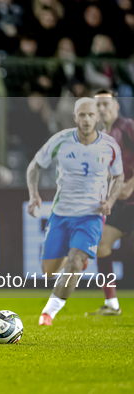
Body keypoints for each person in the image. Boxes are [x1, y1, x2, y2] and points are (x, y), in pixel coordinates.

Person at [27, 98, 124, 326]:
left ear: (97, 117)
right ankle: (77, 260)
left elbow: (118, 176)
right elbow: (35, 165)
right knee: (48, 271)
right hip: (61, 215)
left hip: (91, 216)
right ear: (75, 117)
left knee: (74, 261)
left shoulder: (110, 146)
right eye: (82, 115)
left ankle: (48, 313)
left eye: (91, 115)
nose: (87, 119)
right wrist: (33, 194)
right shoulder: (61, 141)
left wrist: (110, 199)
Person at [91, 89, 134, 316]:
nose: (102, 109)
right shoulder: (102, 138)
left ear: (117, 106)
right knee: (101, 245)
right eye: (97, 105)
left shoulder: (127, 127)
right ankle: (111, 304)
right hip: (123, 205)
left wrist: (131, 183)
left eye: (106, 104)